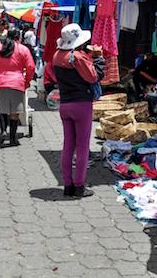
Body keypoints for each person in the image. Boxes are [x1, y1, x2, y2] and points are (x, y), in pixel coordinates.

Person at [52, 24, 104, 198]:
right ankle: (79, 186)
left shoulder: (57, 56)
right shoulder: (78, 57)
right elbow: (93, 77)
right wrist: (97, 58)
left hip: (65, 105)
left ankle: (67, 185)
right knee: (82, 147)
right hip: (81, 105)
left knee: (68, 145)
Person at [0, 29, 35, 147]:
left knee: (3, 109)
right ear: (18, 37)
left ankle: (3, 130)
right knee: (15, 112)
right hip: (17, 82)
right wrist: (27, 81)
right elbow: (30, 67)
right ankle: (12, 138)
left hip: (1, 82)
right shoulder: (23, 49)